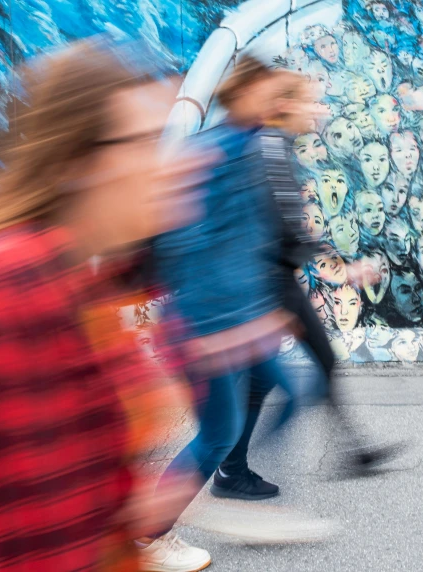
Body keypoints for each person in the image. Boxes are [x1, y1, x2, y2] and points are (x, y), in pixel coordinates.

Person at [0, 38, 209, 572]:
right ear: (76, 162)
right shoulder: (15, 287)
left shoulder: (95, 276)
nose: (180, 163)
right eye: (149, 142)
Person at [206, 60, 402, 502]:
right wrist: (343, 271)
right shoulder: (271, 146)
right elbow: (286, 226)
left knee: (279, 374)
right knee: (278, 375)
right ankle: (232, 468)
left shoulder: (273, 144)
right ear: (285, 105)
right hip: (271, 281)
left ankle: (346, 452)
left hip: (272, 278)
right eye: (311, 101)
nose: (319, 110)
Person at [144, 56, 305, 569]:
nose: (289, 104)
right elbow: (185, 245)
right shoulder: (220, 153)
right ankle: (148, 536)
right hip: (207, 323)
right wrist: (213, 329)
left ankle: (232, 479)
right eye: (280, 93)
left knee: (289, 386)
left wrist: (263, 313)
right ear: (252, 94)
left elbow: (248, 244)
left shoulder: (249, 147)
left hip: (236, 317)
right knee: (216, 432)